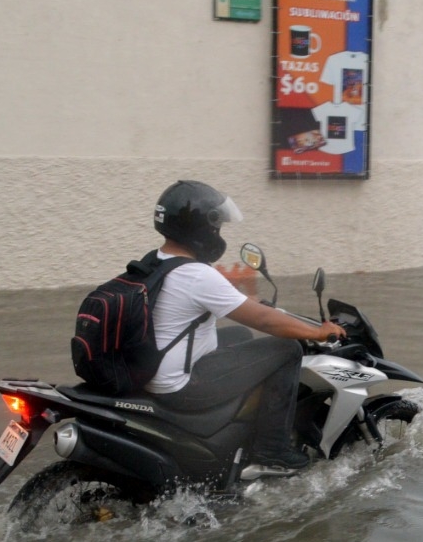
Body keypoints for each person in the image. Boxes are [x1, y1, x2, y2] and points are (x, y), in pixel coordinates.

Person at [143, 180, 346, 471]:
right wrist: (317, 331)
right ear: (201, 227)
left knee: (239, 333)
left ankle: (239, 428)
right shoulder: (197, 275)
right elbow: (264, 322)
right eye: (216, 225)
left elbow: (203, 304)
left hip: (153, 367)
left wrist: (249, 301)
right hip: (181, 385)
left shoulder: (155, 261)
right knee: (287, 350)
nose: (218, 232)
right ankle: (272, 448)